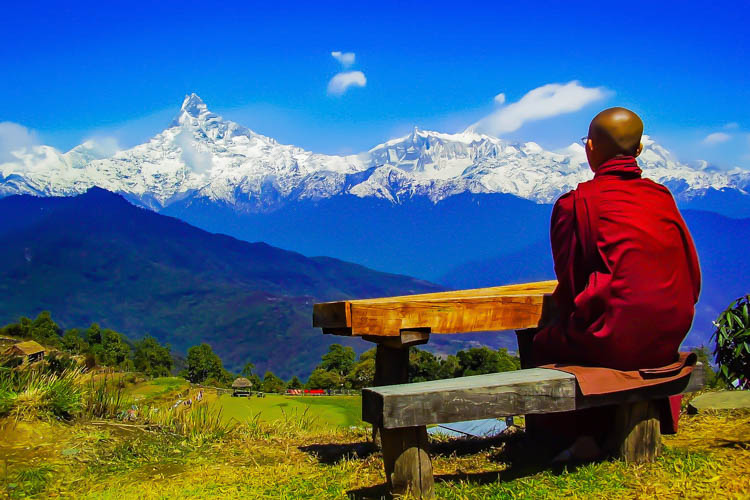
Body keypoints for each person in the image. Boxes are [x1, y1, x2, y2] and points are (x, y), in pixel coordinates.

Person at [527, 107, 701, 460]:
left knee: (546, 342)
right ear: (639, 152)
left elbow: (572, 282)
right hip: (669, 334)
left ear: (589, 148)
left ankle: (576, 439)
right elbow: (690, 273)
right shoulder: (662, 198)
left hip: (612, 337)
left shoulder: (575, 204)